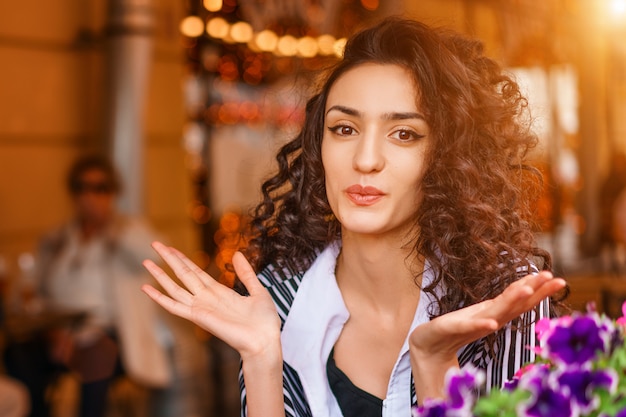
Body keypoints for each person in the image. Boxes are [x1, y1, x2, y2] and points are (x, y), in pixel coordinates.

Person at [141, 17, 567, 417]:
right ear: (318, 145)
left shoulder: (503, 296)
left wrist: (435, 366)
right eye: (344, 128)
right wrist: (261, 360)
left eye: (404, 134)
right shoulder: (279, 298)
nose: (365, 160)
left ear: (448, 157)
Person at [4, 154, 172, 417]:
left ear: (112, 193)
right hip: (61, 330)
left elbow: (159, 257)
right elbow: (37, 292)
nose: (90, 196)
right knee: (19, 354)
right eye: (82, 187)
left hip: (111, 333)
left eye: (100, 188)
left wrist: (112, 227)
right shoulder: (59, 238)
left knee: (96, 355)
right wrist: (55, 333)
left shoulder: (127, 231)